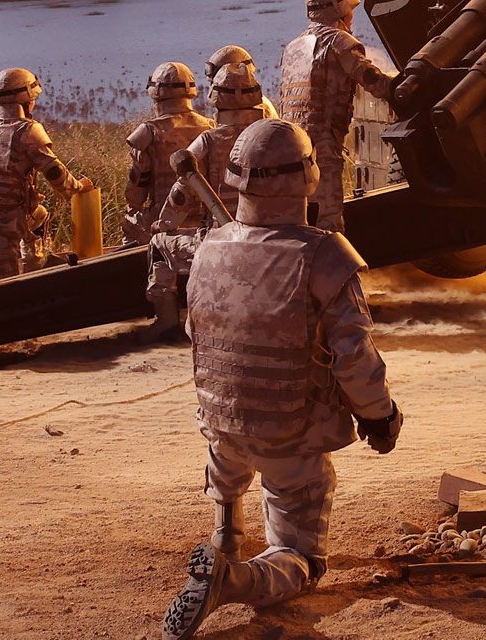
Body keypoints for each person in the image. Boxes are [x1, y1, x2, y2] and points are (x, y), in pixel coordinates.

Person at [161, 118, 401, 638]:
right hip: (289, 434)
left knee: (232, 456)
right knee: (301, 557)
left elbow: (197, 334)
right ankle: (236, 579)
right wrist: (380, 416)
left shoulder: (207, 251)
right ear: (307, 177)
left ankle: (225, 535)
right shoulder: (325, 256)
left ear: (237, 178)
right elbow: (353, 355)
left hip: (220, 426)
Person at [144, 59, 273, 337]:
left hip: (225, 243)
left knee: (159, 245)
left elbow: (180, 194)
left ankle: (166, 323)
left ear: (216, 98)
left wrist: (164, 225)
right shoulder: (276, 136)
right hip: (275, 238)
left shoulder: (208, 141)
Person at [277, 0, 394, 234]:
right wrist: (402, 91)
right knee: (329, 224)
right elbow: (372, 80)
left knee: (301, 219)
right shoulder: (340, 42)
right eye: (351, 9)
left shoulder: (293, 47)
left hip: (291, 148)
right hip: (324, 148)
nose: (353, 16)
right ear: (339, 9)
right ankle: (333, 273)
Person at [0, 68, 92, 281]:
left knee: (40, 217)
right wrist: (78, 187)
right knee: (5, 290)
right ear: (27, 100)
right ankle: (29, 281)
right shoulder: (27, 130)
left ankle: (34, 272)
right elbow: (54, 171)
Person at [124, 62, 215, 245]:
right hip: (207, 221)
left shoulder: (149, 133)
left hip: (164, 221)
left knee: (128, 219)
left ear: (155, 92)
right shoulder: (211, 126)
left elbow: (135, 196)